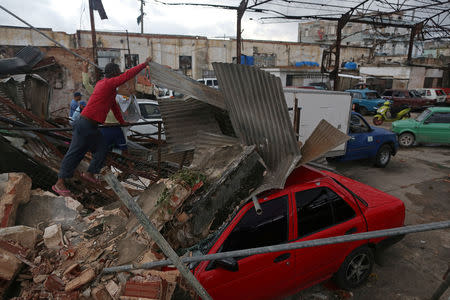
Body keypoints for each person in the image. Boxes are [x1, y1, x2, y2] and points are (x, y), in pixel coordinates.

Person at [52, 57, 152, 197]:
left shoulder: (108, 88)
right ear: (114, 74)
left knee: (102, 148)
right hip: (85, 124)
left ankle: (89, 173)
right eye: (118, 73)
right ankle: (59, 183)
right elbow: (127, 76)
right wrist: (144, 64)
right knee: (75, 153)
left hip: (91, 126)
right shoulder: (108, 84)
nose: (119, 75)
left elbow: (114, 107)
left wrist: (122, 122)